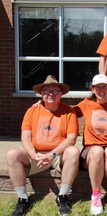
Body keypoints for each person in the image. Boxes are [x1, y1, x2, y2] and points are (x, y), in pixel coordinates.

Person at [6, 75, 80, 216]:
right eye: (46, 91)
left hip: (58, 155)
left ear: (61, 94)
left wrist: (51, 154)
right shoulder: (32, 110)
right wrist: (34, 155)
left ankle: (62, 197)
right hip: (35, 154)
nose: (51, 94)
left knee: (73, 151)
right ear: (41, 94)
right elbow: (25, 137)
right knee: (12, 154)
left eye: (55, 91)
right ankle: (22, 198)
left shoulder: (69, 112)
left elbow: (71, 139)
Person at [73, 74, 107, 215]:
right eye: (98, 87)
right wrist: (43, 105)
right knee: (97, 151)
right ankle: (95, 195)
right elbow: (67, 112)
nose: (101, 90)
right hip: (91, 149)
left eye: (104, 86)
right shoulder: (86, 103)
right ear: (93, 89)